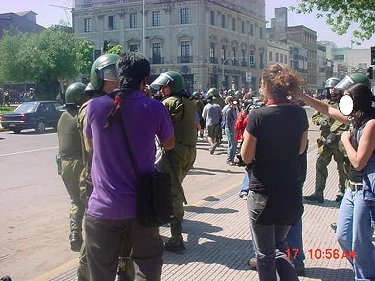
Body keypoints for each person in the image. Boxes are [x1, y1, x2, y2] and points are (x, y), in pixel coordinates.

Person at [83, 52, 175, 281]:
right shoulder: (155, 108)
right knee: (147, 267)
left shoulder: (94, 107)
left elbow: (90, 147)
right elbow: (170, 144)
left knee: (101, 274)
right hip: (142, 209)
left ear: (117, 74)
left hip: (102, 210)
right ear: (145, 80)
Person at [292, 75, 375, 281]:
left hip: (365, 190)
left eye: (347, 99)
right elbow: (327, 110)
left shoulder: (370, 123)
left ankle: (365, 276)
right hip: (351, 188)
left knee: (360, 242)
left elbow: (358, 162)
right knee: (344, 236)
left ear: (358, 100)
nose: (342, 103)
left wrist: (345, 139)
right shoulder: (355, 118)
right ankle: (367, 269)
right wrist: (302, 96)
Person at [241, 63, 308, 281]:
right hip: (290, 192)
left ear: (267, 85)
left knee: (265, 253)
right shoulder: (299, 113)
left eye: (261, 83)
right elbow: (301, 149)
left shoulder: (259, 116)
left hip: (264, 195)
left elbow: (246, 157)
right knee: (279, 245)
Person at [150, 71, 197, 253]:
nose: (162, 90)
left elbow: (156, 125)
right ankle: (173, 218)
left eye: (165, 86)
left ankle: (176, 238)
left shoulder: (169, 103)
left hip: (174, 152)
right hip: (190, 152)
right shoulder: (190, 103)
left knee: (172, 192)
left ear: (173, 86)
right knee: (175, 188)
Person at [304, 77, 349, 203]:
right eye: (330, 88)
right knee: (320, 163)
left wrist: (334, 132)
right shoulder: (323, 103)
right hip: (325, 140)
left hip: (340, 140)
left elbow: (346, 120)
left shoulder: (346, 103)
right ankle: (318, 193)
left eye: (334, 88)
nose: (332, 90)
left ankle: (343, 192)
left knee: (343, 167)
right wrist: (320, 120)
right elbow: (315, 117)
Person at [56, 82, 88, 252]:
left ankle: (75, 232)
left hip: (64, 164)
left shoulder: (63, 117)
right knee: (89, 200)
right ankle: (93, 237)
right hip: (79, 162)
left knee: (76, 200)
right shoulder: (80, 116)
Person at [222, 96, 238, 165]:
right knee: (232, 145)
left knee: (233, 144)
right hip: (230, 128)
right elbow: (228, 122)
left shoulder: (233, 109)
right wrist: (232, 130)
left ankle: (231, 159)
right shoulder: (229, 110)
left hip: (232, 128)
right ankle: (229, 160)